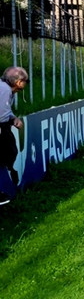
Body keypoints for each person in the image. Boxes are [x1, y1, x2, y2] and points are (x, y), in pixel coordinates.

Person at [0, 66, 28, 206]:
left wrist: (13, 118)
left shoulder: (4, 88)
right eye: (25, 81)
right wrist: (11, 119)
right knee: (8, 153)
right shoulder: (5, 89)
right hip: (1, 128)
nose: (25, 85)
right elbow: (2, 114)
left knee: (9, 152)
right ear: (18, 81)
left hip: (3, 126)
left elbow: (5, 111)